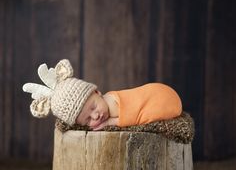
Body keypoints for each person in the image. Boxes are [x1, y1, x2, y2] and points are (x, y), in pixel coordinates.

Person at [23, 59, 182, 130]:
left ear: (97, 92)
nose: (96, 116)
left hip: (161, 96)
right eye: (87, 120)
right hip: (166, 95)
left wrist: (110, 123)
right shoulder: (103, 104)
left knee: (144, 116)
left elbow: (131, 117)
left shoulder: (112, 103)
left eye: (93, 106)